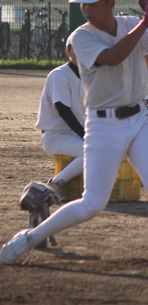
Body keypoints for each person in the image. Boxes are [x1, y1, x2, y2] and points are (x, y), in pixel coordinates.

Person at [1, 0, 148, 268]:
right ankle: (28, 238)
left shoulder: (129, 24)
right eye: (82, 4)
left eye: (92, 3)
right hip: (102, 125)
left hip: (138, 119)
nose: (86, 9)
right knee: (93, 204)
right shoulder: (81, 36)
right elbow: (112, 57)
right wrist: (145, 22)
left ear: (110, 3)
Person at [35, 36, 85, 202]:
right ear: (68, 52)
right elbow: (63, 109)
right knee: (94, 152)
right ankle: (55, 184)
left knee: (110, 147)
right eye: (76, 48)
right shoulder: (59, 75)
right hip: (56, 136)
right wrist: (86, 135)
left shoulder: (90, 76)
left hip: (75, 134)